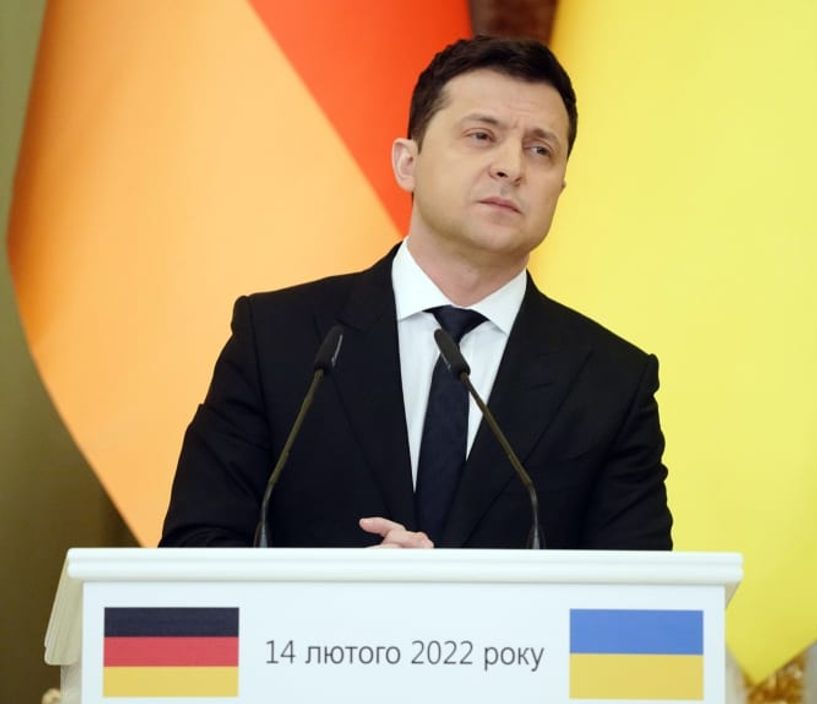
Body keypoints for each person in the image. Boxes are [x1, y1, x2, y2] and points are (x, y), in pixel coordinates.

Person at [160, 36, 672, 550]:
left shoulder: (611, 383)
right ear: (407, 163)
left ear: (559, 188)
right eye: (481, 135)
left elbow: (638, 590)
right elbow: (194, 550)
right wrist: (343, 587)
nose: (511, 167)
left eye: (540, 150)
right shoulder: (279, 340)